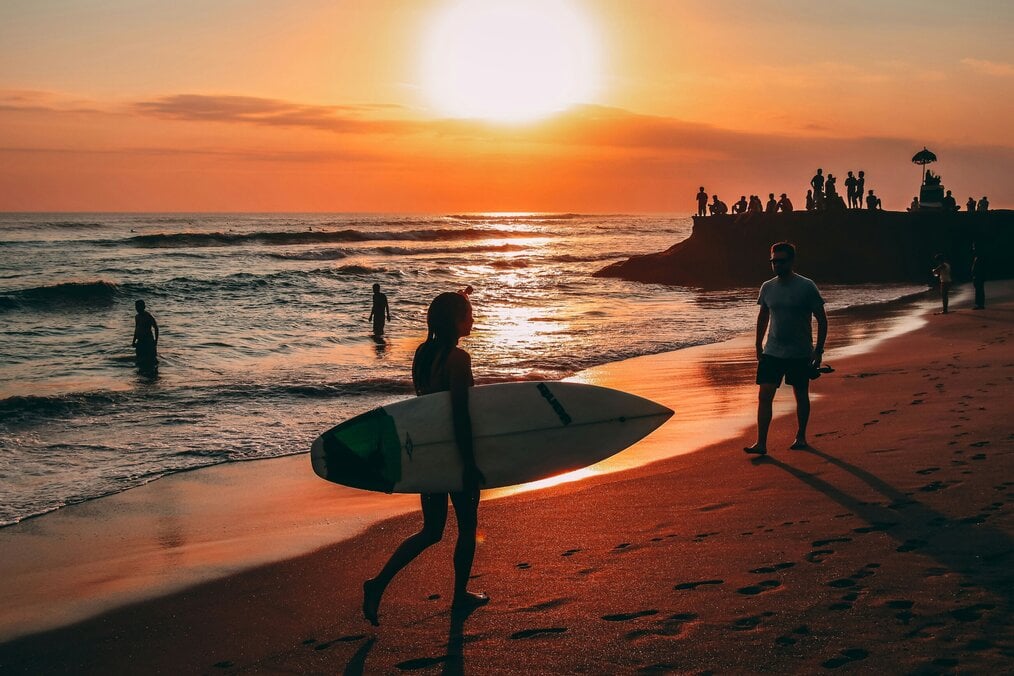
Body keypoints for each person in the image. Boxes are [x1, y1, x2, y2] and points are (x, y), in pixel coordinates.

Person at [362, 291, 488, 626]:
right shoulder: (458, 359)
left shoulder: (422, 354)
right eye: (469, 314)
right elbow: (460, 415)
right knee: (467, 526)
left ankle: (378, 584)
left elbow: (424, 407)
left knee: (431, 531)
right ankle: (460, 595)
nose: (473, 319)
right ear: (456, 321)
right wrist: (470, 463)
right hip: (453, 455)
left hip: (429, 454)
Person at [744, 242, 828, 456]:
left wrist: (818, 350)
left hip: (800, 352)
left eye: (781, 261)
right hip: (772, 351)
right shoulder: (767, 287)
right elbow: (763, 316)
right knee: (765, 395)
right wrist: (757, 344)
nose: (776, 265)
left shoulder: (806, 286)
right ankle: (761, 443)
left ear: (791, 261)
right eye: (773, 261)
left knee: (800, 394)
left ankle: (801, 436)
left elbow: (822, 318)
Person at [132, 300, 159, 371]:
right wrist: (134, 341)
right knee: (139, 360)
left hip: (148, 341)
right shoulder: (137, 317)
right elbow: (136, 329)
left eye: (139, 306)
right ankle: (142, 376)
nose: (137, 308)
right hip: (140, 341)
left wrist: (156, 341)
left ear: (144, 307)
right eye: (136, 307)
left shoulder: (148, 316)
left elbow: (156, 328)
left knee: (151, 360)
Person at [971, 245, 986, 310]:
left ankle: (979, 304)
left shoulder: (979, 257)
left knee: (979, 290)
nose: (973, 249)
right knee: (979, 290)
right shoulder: (977, 257)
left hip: (978, 276)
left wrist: (976, 275)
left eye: (974, 247)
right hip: (977, 276)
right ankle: (980, 304)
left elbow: (980, 268)